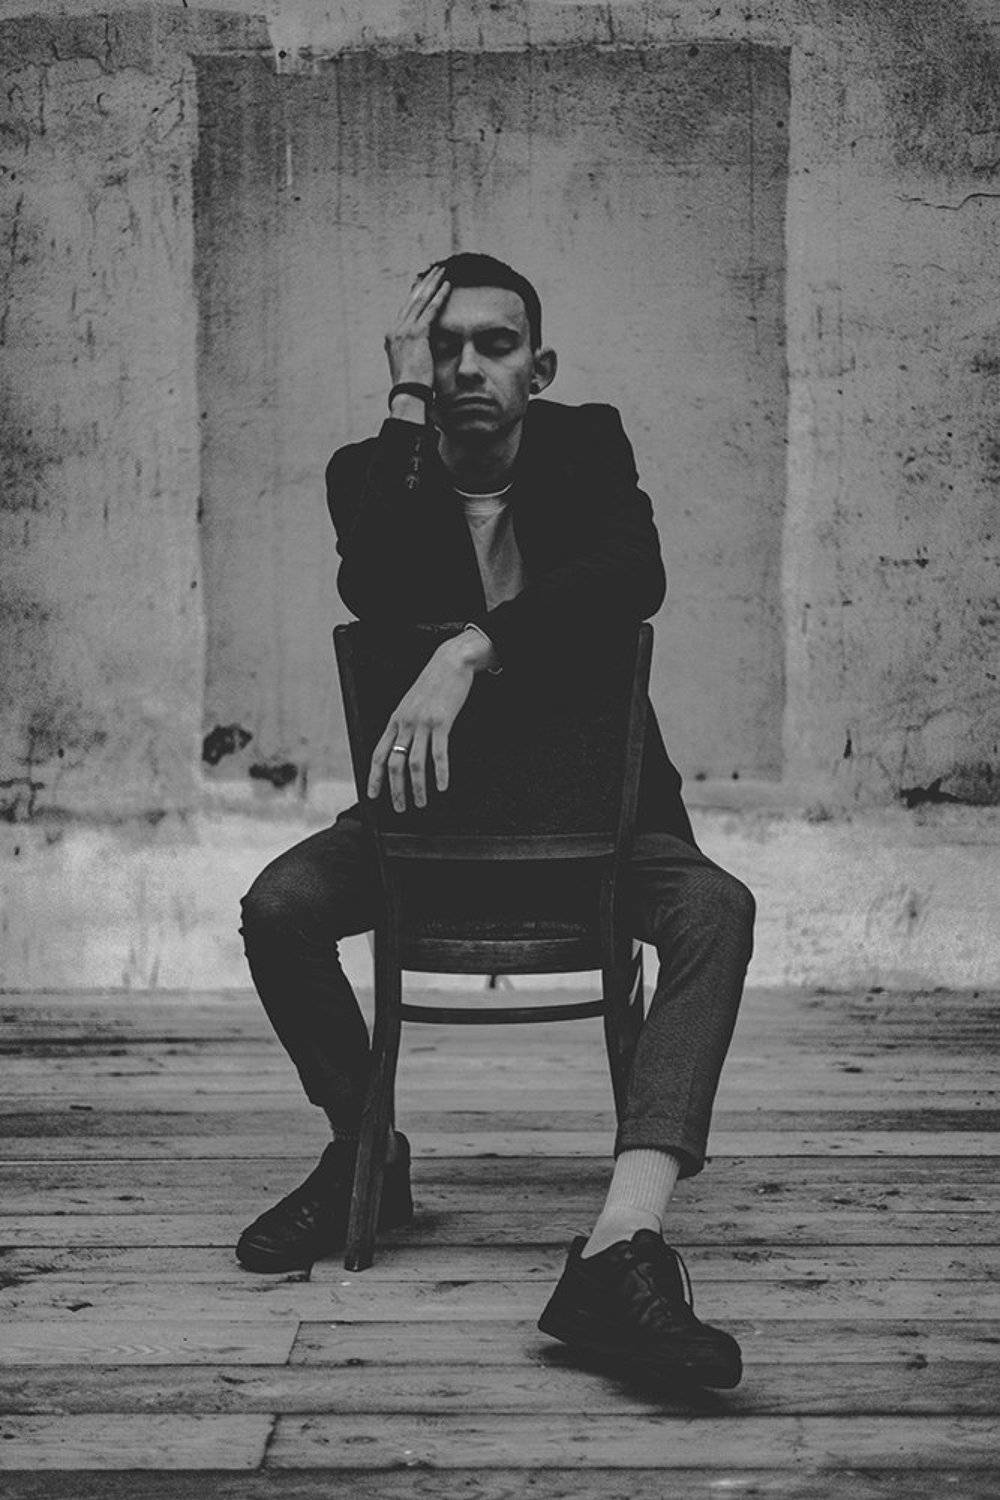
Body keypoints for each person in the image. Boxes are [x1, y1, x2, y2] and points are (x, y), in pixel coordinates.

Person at [237, 252, 756, 1390]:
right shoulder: (371, 471)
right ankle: (365, 1154)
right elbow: (373, 587)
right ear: (414, 368)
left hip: (604, 828)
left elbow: (632, 573)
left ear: (540, 368)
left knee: (717, 911)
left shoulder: (588, 448)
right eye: (442, 346)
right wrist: (402, 413)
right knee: (278, 907)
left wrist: (471, 649)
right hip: (426, 829)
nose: (467, 365)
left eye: (496, 344)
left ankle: (621, 1242)